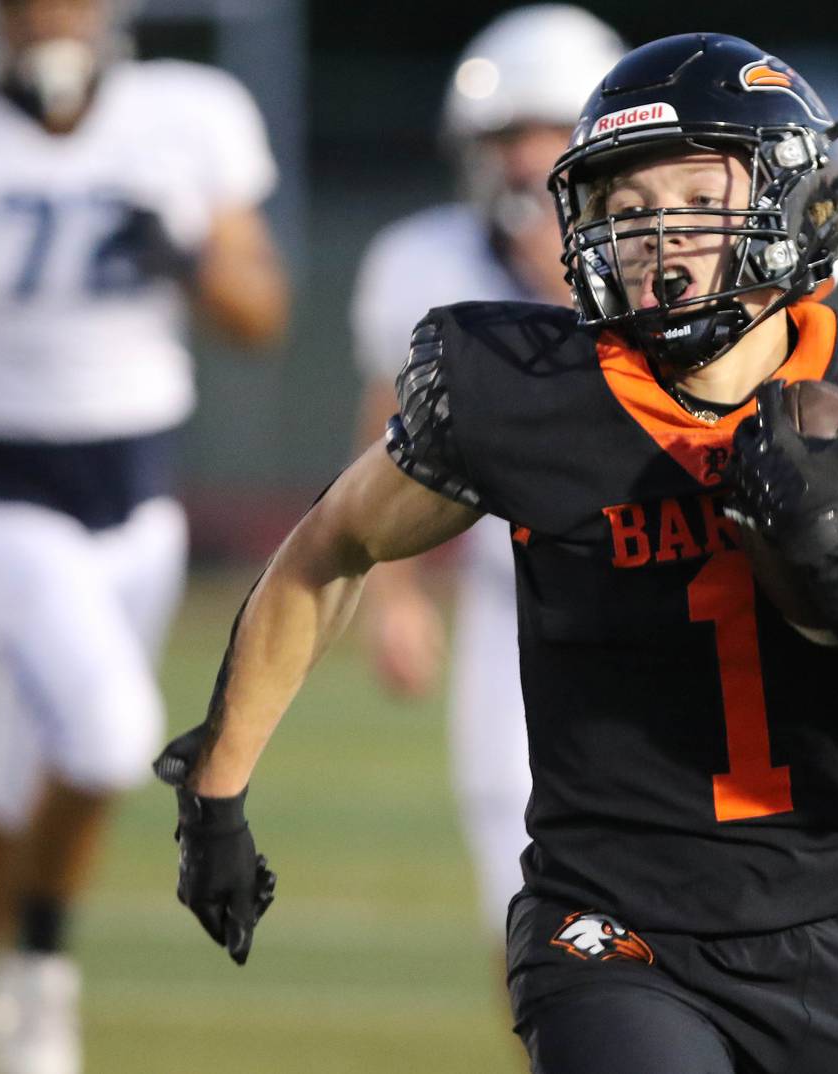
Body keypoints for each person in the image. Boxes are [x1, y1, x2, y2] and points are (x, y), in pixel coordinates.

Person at [155, 33, 838, 1073]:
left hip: (834, 932)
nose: (655, 234)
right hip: (609, 931)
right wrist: (216, 789)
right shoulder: (527, 391)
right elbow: (330, 542)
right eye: (623, 205)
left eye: (694, 197)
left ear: (793, 196)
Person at [0, 1, 289, 1072]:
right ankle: (41, 980)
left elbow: (261, 313)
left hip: (139, 502)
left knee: (19, 778)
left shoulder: (187, 114)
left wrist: (186, 256)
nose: (52, 18)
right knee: (104, 735)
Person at [349, 4, 625, 939]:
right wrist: (392, 593)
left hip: (670, 589)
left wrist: (568, 269)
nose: (519, 159)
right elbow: (389, 432)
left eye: (543, 132)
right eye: (504, 136)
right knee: (526, 911)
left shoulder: (673, 256)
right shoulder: (422, 258)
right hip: (510, 607)